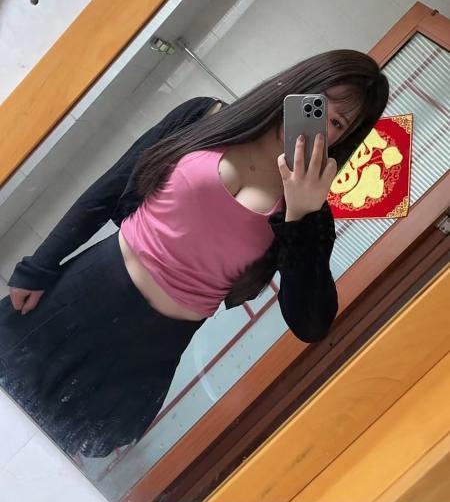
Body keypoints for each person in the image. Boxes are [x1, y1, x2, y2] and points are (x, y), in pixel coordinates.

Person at [0, 49, 388, 457]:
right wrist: (40, 265)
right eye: (317, 104)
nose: (320, 124)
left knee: (38, 459)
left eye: (337, 122)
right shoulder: (206, 116)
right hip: (84, 291)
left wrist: (302, 217)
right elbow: (110, 188)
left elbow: (310, 323)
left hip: (148, 350)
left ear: (344, 138)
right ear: (297, 87)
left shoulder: (308, 209)